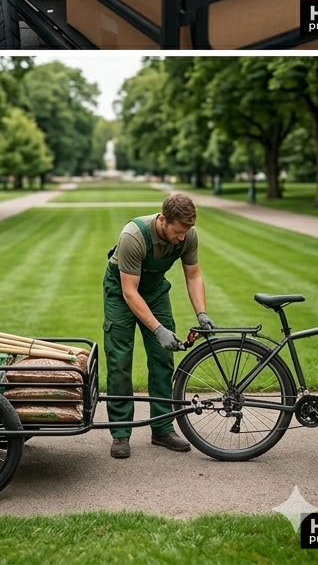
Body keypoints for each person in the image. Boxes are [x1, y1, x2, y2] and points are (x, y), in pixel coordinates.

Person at [103, 192, 214, 459]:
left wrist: (202, 313)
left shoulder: (188, 235)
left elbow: (194, 274)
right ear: (162, 219)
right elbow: (130, 292)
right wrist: (158, 329)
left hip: (155, 292)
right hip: (121, 292)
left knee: (163, 358)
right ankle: (121, 431)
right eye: (177, 232)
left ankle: (163, 429)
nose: (180, 238)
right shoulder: (134, 236)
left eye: (185, 233)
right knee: (119, 359)